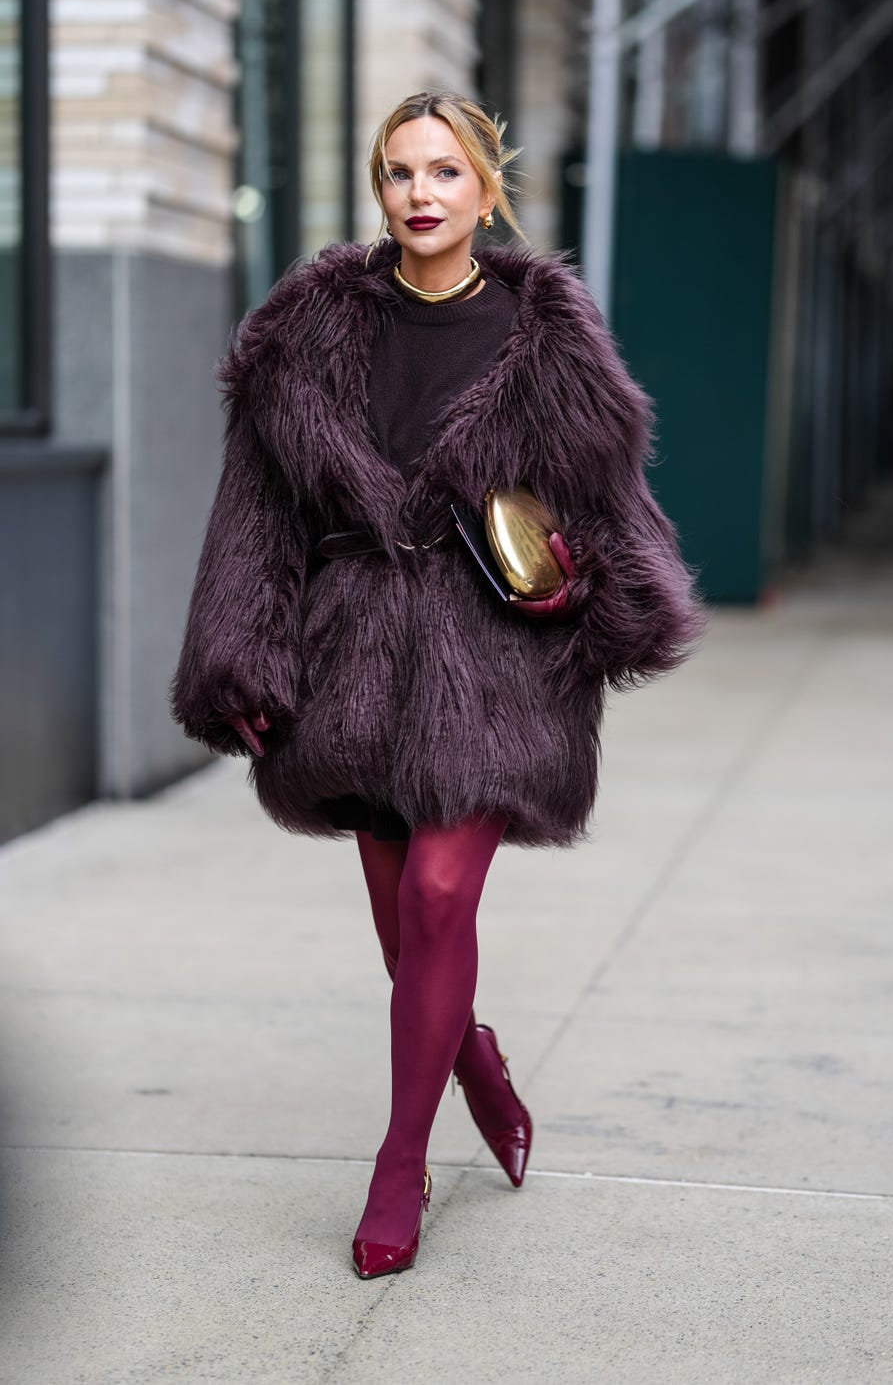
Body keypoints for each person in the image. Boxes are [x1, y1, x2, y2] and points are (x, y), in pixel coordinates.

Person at [170, 89, 702, 1279]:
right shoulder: (304, 330)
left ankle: (399, 1160)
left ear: (486, 188)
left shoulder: (547, 333)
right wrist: (236, 652)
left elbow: (617, 509)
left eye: (445, 172)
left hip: (492, 659)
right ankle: (470, 1061)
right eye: (399, 172)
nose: (421, 193)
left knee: (440, 897)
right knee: (403, 915)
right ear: (379, 188)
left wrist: (589, 590)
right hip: (350, 654)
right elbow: (253, 514)